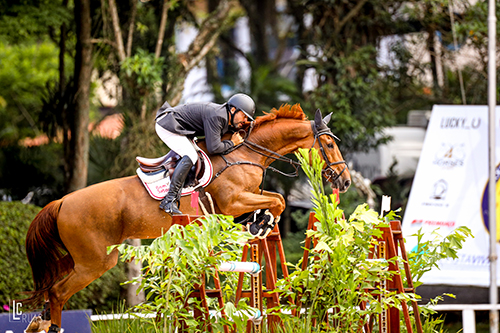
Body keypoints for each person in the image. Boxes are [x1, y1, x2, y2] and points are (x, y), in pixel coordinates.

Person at [155, 93, 256, 215]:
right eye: (244, 116)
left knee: (196, 155)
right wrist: (232, 143)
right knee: (191, 155)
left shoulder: (225, 116)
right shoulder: (218, 116)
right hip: (167, 124)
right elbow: (213, 148)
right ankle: (169, 200)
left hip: (179, 126)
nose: (245, 121)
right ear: (233, 110)